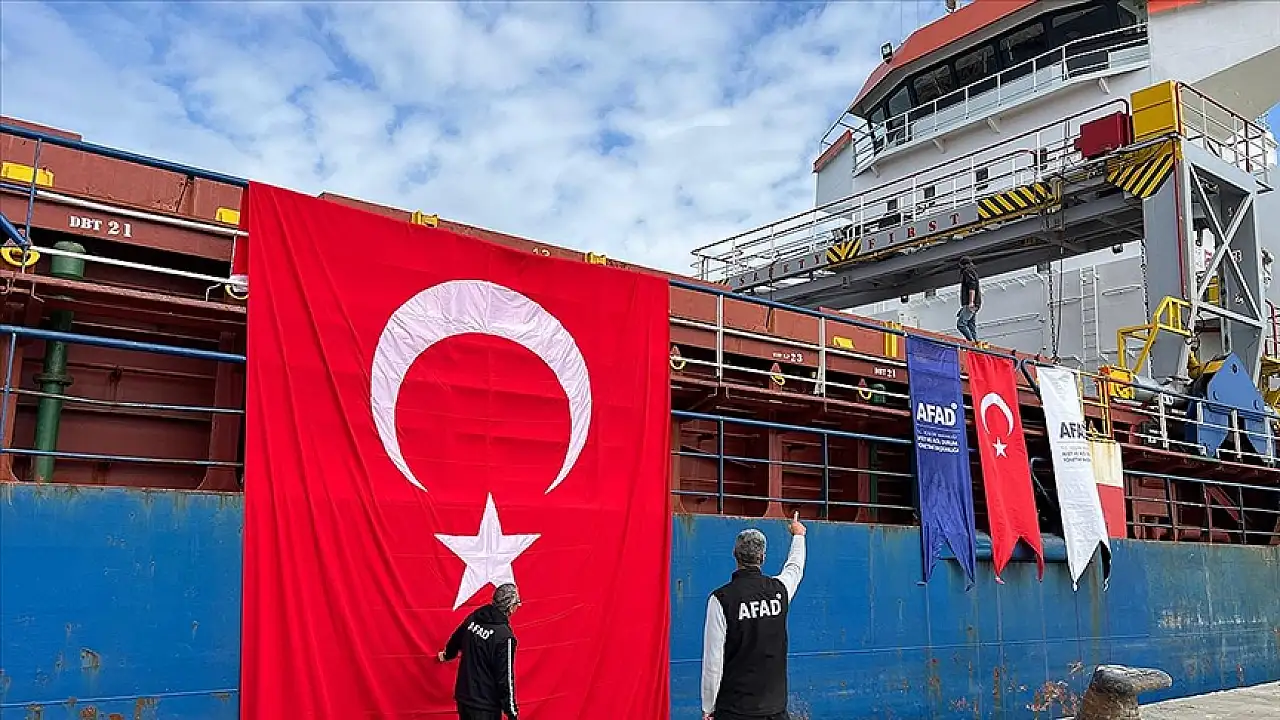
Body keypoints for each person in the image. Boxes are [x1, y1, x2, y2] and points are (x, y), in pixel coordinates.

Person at [701, 512, 807, 720]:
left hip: (735, 710)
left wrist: (708, 706)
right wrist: (798, 536)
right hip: (775, 709)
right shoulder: (780, 590)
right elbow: (795, 568)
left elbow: (713, 661)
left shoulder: (721, 599)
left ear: (735, 554)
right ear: (763, 557)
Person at [438, 583, 522, 720]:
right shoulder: (504, 637)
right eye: (517, 603)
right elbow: (505, 678)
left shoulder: (475, 617)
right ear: (511, 607)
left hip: (464, 697)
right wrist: (512, 712)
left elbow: (456, 638)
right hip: (485, 706)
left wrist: (447, 655)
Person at [957, 256, 981, 342]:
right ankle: (975, 342)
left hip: (970, 303)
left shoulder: (967, 272)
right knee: (971, 324)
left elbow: (972, 287)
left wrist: (971, 302)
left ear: (962, 265)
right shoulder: (973, 272)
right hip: (976, 303)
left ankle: (971, 342)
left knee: (961, 324)